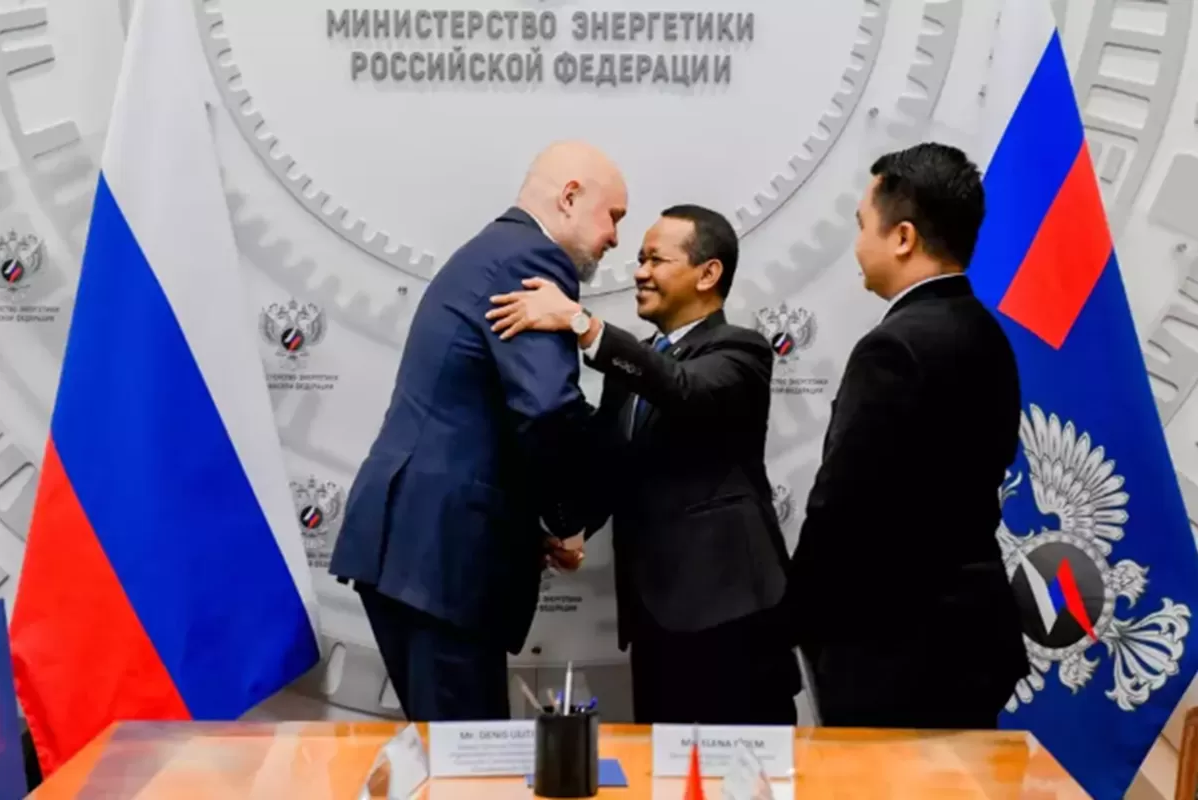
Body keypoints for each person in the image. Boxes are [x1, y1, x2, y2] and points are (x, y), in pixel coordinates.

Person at [328, 140, 628, 721]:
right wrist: (567, 520)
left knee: (453, 751)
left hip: (416, 551)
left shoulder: (491, 250)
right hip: (442, 560)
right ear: (569, 197)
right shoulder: (534, 260)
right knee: (470, 759)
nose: (615, 236)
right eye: (612, 215)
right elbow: (546, 408)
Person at [487, 204, 799, 725]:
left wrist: (582, 324)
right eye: (639, 259)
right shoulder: (633, 366)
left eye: (656, 260)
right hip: (654, 621)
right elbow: (611, 468)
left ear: (708, 273)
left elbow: (686, 390)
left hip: (733, 619)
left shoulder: (740, 350)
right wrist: (569, 528)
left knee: (746, 762)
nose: (639, 273)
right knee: (663, 762)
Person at [784, 142, 1030, 729]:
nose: (856, 245)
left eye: (861, 225)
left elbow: (841, 502)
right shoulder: (989, 334)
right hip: (972, 638)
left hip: (895, 649)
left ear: (903, 237)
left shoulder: (893, 347)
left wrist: (793, 616)